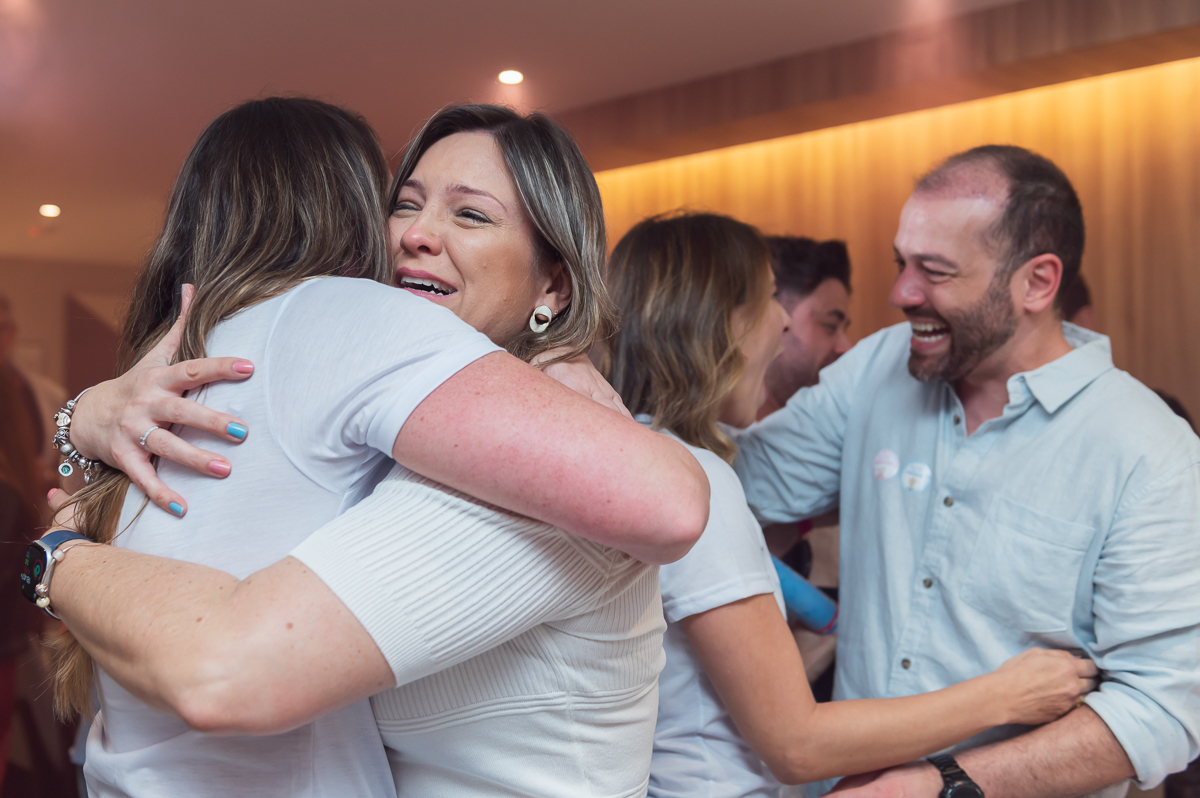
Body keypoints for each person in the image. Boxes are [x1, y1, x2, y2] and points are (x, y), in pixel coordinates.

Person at [33, 98, 709, 798]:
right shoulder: (374, 430)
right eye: (403, 205)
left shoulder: (546, 481)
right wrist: (84, 414)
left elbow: (226, 669)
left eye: (470, 214)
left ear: (554, 285)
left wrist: (61, 550)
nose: (416, 234)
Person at [731, 145, 1200, 798]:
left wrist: (940, 785)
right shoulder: (877, 369)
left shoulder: (1146, 449)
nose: (900, 294)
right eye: (902, 264)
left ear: (1037, 282)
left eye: (936, 271)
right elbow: (736, 487)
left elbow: (1162, 707)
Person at [601, 211, 1095, 798]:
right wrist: (1006, 694)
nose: (783, 321)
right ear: (718, 324)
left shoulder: (621, 456)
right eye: (765, 298)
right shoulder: (695, 481)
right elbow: (796, 743)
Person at [758, 237, 853, 419]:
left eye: (844, 329)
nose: (846, 348)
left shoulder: (832, 431)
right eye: (830, 326)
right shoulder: (713, 438)